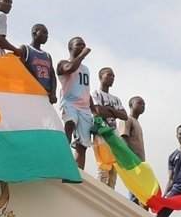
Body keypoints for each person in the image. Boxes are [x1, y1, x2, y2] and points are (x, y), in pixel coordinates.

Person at [54, 36, 92, 167]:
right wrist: (82, 55)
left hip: (84, 108)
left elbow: (86, 89)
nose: (82, 47)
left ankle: (79, 172)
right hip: (69, 103)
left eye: (83, 45)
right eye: (79, 45)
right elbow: (70, 68)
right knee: (69, 123)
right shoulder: (63, 63)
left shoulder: (86, 69)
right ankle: (62, 159)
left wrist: (94, 109)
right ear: (70, 48)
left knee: (83, 144)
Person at [90, 67, 129, 187]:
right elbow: (97, 111)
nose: (112, 78)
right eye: (109, 75)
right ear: (101, 76)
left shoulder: (116, 99)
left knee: (114, 167)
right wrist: (114, 112)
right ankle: (100, 194)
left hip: (114, 134)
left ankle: (111, 193)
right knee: (103, 166)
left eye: (113, 76)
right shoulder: (95, 93)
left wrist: (110, 110)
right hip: (101, 132)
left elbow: (124, 115)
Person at [20, 24, 57, 100]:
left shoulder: (47, 55)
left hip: (46, 94)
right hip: (31, 92)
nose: (46, 36)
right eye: (44, 32)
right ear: (34, 33)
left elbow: (53, 76)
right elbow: (20, 70)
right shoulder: (25, 49)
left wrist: (53, 93)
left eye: (47, 34)